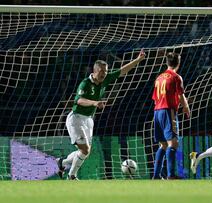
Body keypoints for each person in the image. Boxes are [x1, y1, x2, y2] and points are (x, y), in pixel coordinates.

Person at [56, 49, 146, 180]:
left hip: (88, 120)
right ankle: (71, 176)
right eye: (102, 71)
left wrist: (138, 60)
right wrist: (94, 103)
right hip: (76, 119)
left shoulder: (106, 79)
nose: (104, 74)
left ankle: (62, 163)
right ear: (95, 71)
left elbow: (122, 71)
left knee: (85, 152)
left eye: (106, 71)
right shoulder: (85, 83)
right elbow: (79, 100)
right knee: (85, 150)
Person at [152, 52, 190, 179]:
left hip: (157, 112)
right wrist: (186, 107)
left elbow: (154, 97)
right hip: (168, 111)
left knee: (163, 145)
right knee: (172, 144)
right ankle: (171, 175)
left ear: (167, 62)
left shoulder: (159, 78)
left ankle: (156, 176)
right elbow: (180, 95)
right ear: (178, 62)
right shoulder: (176, 77)